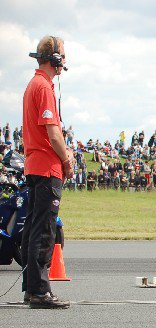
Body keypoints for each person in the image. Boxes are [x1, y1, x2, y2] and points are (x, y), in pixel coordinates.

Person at [20, 35, 73, 309]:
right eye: (62, 55)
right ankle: (40, 292)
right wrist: (67, 160)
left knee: (33, 228)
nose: (64, 60)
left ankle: (31, 288)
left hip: (34, 166)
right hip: (46, 167)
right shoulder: (44, 87)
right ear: (54, 58)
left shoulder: (34, 84)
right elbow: (53, 134)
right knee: (44, 231)